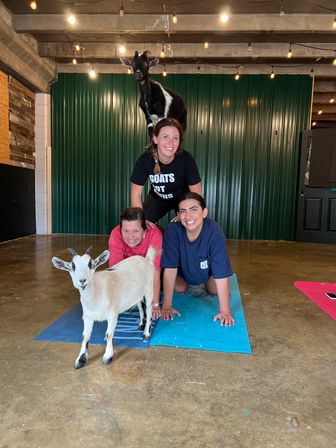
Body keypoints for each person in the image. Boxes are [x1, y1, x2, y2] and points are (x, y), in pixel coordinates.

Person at [160, 192, 235, 326]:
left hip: (206, 272)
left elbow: (221, 274)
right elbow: (170, 268)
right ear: (178, 215)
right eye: (183, 211)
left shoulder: (214, 231)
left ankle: (206, 282)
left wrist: (225, 311)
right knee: (180, 288)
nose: (188, 216)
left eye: (193, 209)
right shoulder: (173, 230)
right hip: (183, 273)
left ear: (204, 212)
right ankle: (187, 281)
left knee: (214, 290)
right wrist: (166, 306)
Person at [130, 117, 202, 223]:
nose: (170, 142)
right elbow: (135, 195)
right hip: (158, 197)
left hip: (183, 198)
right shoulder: (145, 160)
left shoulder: (185, 159)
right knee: (140, 222)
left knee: (188, 222)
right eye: (165, 137)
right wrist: (141, 221)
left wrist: (187, 214)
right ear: (155, 138)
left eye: (175, 138)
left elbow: (197, 194)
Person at [108, 207, 162, 319]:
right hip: (130, 269)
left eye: (136, 231)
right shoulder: (115, 235)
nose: (130, 237)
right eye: (126, 231)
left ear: (144, 230)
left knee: (177, 287)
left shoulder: (154, 235)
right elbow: (115, 273)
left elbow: (155, 274)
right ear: (120, 229)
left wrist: (155, 304)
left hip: (150, 266)